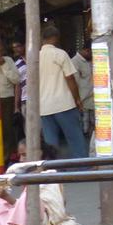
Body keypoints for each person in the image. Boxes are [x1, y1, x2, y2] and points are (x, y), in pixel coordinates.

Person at [38, 25, 87, 160]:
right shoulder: (60, 54)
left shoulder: (35, 58)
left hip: (44, 107)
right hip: (64, 104)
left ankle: (53, 169)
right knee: (75, 138)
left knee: (51, 142)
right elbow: (70, 78)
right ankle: (82, 167)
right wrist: (77, 99)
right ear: (56, 38)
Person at [71, 43, 94, 136]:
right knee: (84, 128)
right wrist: (77, 100)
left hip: (94, 99)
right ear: (87, 50)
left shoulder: (91, 60)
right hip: (82, 101)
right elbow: (74, 83)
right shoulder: (74, 62)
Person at [12, 39, 27, 123]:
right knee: (28, 128)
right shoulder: (16, 64)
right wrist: (16, 107)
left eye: (18, 46)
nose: (16, 49)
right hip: (25, 99)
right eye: (14, 48)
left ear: (24, 45)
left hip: (40, 98)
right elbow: (18, 86)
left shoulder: (37, 58)